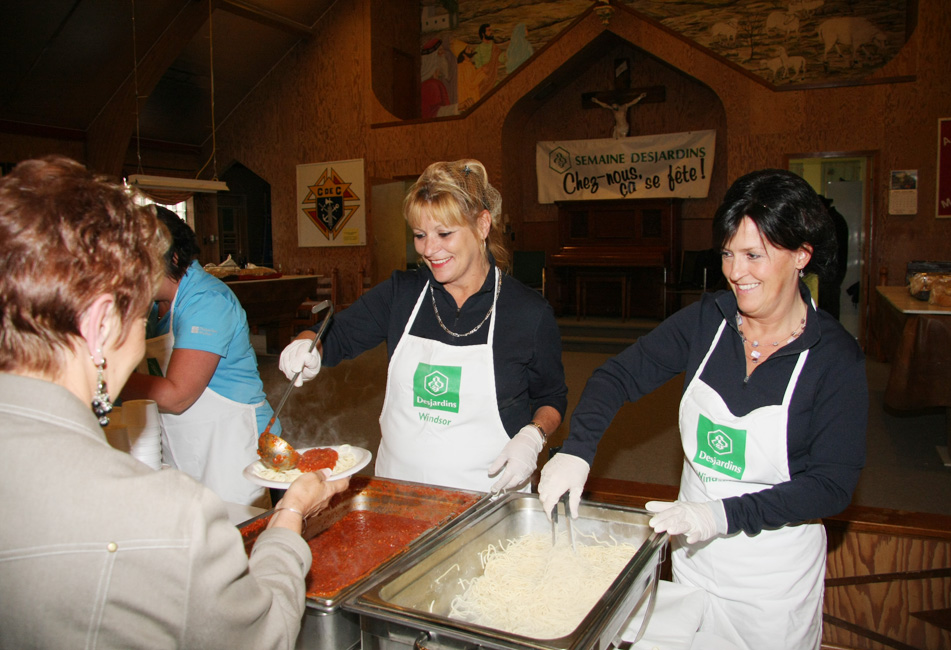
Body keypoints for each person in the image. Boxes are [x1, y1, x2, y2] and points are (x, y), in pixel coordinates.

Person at [0, 155, 349, 648]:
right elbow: (259, 632)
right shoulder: (172, 518)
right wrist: (290, 513)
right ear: (101, 325)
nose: (145, 323)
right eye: (137, 309)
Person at [538, 168, 867, 649]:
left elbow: (831, 487)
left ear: (802, 254)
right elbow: (617, 376)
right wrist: (578, 450)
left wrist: (720, 516)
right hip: (693, 561)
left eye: (755, 255)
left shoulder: (835, 357)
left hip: (771, 583)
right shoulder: (707, 321)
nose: (736, 272)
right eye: (729, 254)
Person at [279, 159, 568, 493]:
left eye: (444, 234)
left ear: (482, 225)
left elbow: (551, 396)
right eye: (420, 235)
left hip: (486, 501)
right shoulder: (402, 293)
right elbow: (337, 334)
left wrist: (533, 436)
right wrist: (307, 343)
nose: (429, 250)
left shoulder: (528, 312)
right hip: (398, 494)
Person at [120, 205, 278, 506]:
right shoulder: (153, 307)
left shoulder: (207, 302)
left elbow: (178, 396)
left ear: (173, 257)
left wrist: (101, 380)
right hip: (185, 442)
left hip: (231, 448)